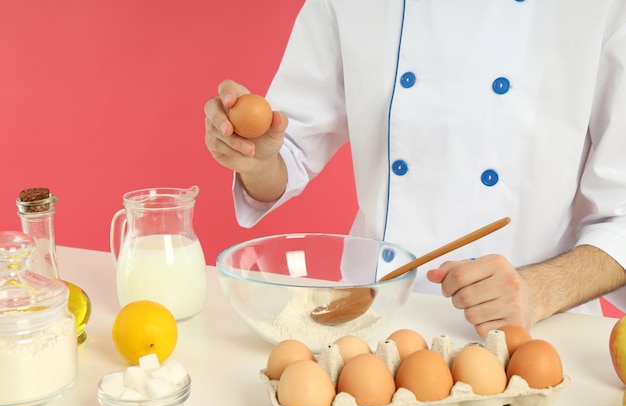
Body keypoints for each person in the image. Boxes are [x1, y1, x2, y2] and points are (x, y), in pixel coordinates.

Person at [204, 0, 626, 336]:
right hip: (373, 319)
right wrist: (256, 158)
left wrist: (539, 290)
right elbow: (286, 153)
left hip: (538, 334)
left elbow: (622, 220)